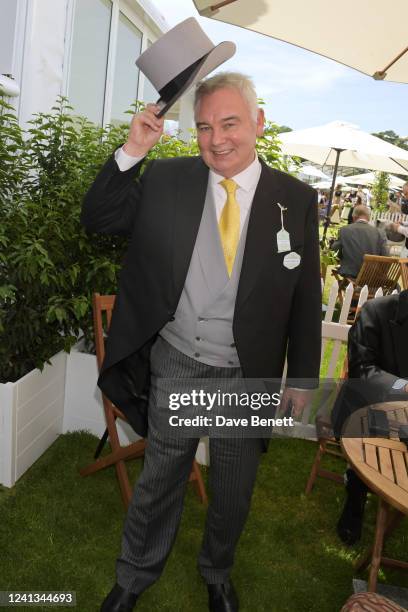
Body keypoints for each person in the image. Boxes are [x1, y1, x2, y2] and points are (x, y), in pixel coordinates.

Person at [81, 72, 322, 612]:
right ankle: (133, 577)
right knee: (160, 479)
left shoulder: (296, 198)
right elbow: (98, 219)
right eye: (205, 126)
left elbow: (307, 296)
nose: (217, 139)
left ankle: (217, 572)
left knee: (234, 490)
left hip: (248, 373)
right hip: (179, 360)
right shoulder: (169, 180)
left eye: (230, 123)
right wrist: (133, 150)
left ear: (258, 123)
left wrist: (302, 377)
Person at [331, 290, 408, 544]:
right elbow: (362, 371)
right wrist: (403, 388)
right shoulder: (376, 312)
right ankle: (355, 495)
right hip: (366, 409)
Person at [331, 204, 389, 278]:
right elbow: (386, 256)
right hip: (373, 277)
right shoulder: (380, 232)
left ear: (353, 217)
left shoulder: (344, 230)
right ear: (368, 217)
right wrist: (382, 274)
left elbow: (334, 251)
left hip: (351, 274)